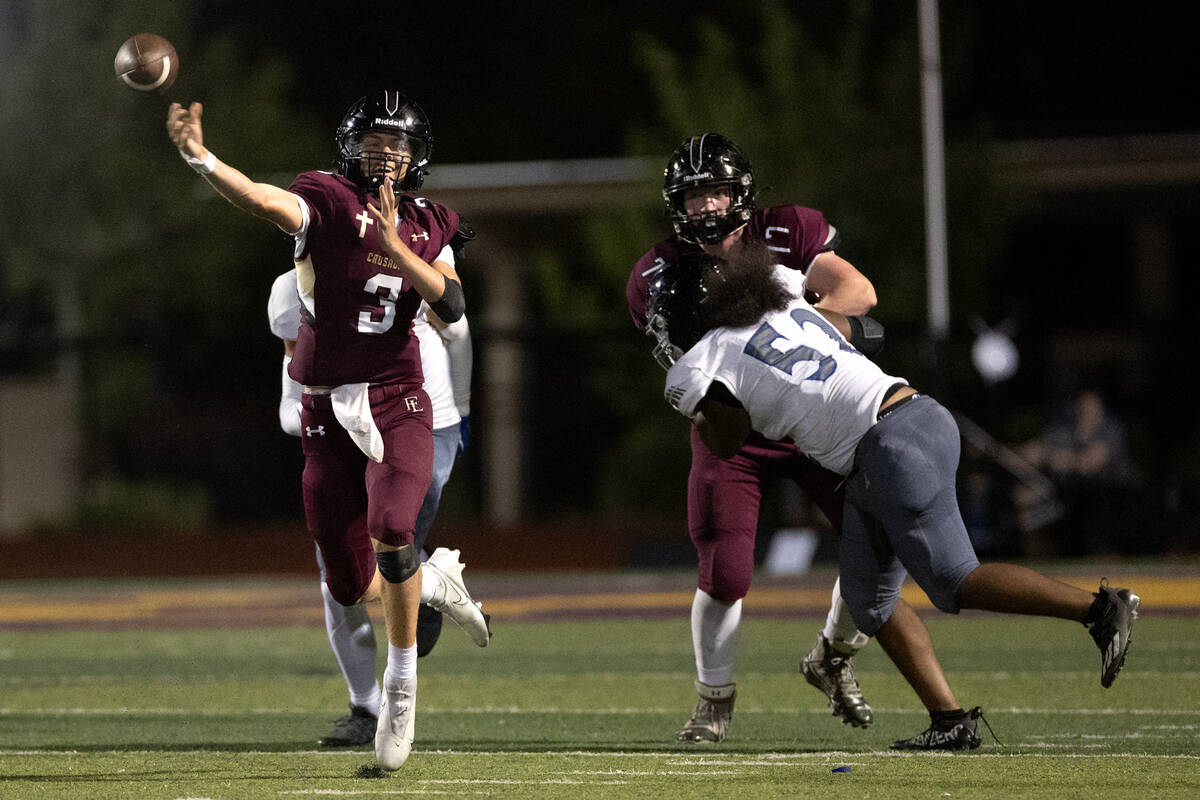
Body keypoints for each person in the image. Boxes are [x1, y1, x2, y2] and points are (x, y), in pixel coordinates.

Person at [646, 246, 1140, 749]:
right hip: (908, 420)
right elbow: (864, 331)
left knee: (953, 580)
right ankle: (950, 721)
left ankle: (1099, 610)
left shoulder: (702, 359)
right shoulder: (778, 299)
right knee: (869, 601)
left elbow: (727, 440)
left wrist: (698, 399)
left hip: (887, 446)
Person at [167, 90, 491, 771]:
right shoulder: (324, 198)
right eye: (374, 144)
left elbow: (453, 304)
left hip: (400, 398)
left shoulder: (434, 222)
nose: (386, 157)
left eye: (398, 147)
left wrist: (397, 244)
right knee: (347, 583)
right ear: (350, 146)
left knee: (395, 531)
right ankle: (433, 583)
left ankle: (398, 695)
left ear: (418, 158)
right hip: (325, 411)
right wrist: (203, 160)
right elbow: (263, 201)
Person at [626, 133, 881, 742]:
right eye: (694, 197)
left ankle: (833, 656)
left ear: (740, 192)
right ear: (676, 206)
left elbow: (859, 294)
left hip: (813, 414)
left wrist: (796, 338)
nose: (708, 207)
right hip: (735, 425)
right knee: (726, 566)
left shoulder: (787, 230)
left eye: (716, 191)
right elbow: (688, 374)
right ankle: (714, 700)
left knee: (876, 539)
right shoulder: (658, 274)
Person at [268, 266, 476, 747]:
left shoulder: (408, 248)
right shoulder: (288, 291)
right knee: (341, 583)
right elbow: (290, 393)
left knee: (395, 551)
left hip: (417, 420)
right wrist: (324, 417)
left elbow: (458, 327)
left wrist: (462, 409)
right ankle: (366, 704)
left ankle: (417, 593)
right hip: (342, 439)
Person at [1014, 384, 1140, 555]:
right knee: (1025, 497)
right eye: (1082, 404)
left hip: (1107, 494)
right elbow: (1034, 451)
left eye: (1091, 404)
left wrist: (1057, 458)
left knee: (1088, 508)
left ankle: (1101, 551)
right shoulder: (1065, 429)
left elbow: (1091, 462)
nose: (1086, 409)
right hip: (1067, 494)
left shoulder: (1111, 428)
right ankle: (1034, 554)